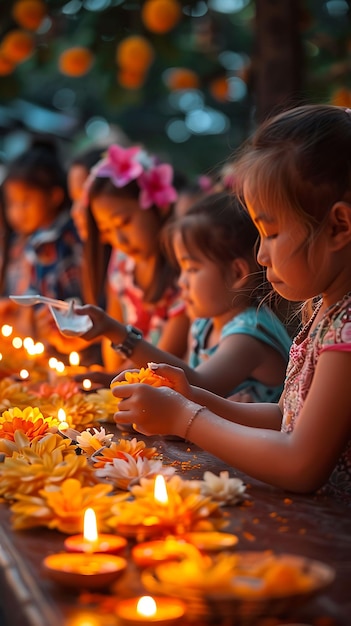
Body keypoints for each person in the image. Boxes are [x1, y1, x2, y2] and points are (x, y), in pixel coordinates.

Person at [111, 104, 351, 504]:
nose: (260, 255)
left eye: (271, 233)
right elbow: (288, 417)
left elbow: (301, 463)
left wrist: (186, 419)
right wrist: (194, 398)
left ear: (339, 226)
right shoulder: (324, 310)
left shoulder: (346, 328)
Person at [76, 191, 291, 400]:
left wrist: (119, 334)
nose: (181, 282)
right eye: (181, 269)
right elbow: (180, 379)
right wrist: (112, 381)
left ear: (237, 273)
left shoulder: (249, 335)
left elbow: (196, 386)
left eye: (192, 269)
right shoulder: (203, 325)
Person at [77, 143, 190, 380]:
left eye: (124, 222)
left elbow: (166, 359)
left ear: (157, 206)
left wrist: (113, 378)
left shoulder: (185, 271)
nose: (119, 240)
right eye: (107, 230)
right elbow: (113, 337)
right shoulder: (120, 264)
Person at [0, 137, 83, 339]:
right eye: (12, 204)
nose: (17, 213)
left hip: (60, 340)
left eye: (26, 203)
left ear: (55, 196)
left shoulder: (66, 240)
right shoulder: (21, 242)